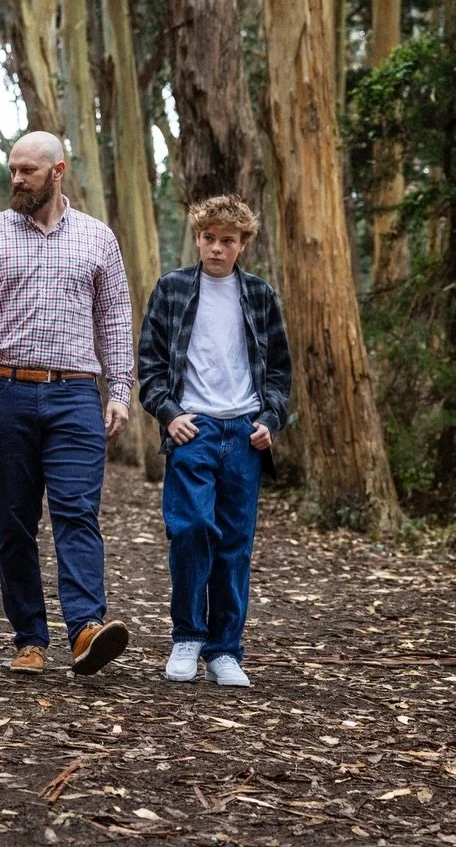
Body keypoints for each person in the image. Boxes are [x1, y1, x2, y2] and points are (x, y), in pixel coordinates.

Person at [0, 130, 133, 677]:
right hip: (3, 392)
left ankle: (85, 631)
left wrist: (119, 391)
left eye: (28, 170)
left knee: (77, 511)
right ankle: (29, 638)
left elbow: (115, 319)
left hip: (76, 392)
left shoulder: (99, 239)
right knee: (14, 521)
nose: (17, 179)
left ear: (58, 172)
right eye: (13, 169)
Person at [137, 194, 291, 688]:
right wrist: (169, 414)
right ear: (198, 238)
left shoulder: (260, 295)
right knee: (190, 529)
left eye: (228, 241)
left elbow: (280, 373)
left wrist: (271, 419)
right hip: (194, 429)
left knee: (234, 544)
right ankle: (187, 636)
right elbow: (151, 366)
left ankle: (225, 649)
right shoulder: (173, 289)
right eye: (209, 239)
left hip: (244, 433)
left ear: (243, 243)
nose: (217, 248)